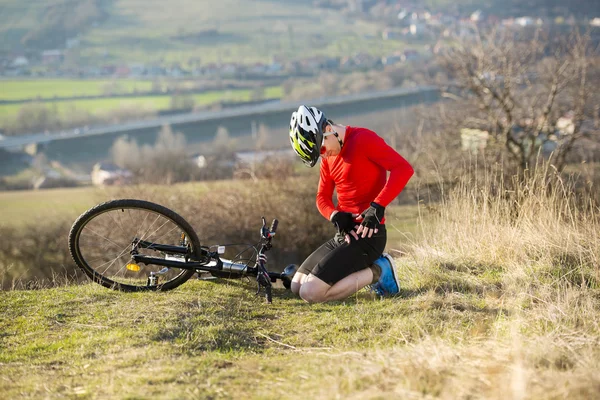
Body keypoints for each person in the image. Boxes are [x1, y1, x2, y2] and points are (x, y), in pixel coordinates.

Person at [288, 105, 414, 303]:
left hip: (368, 235)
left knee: (310, 293)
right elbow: (322, 197)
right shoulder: (328, 157)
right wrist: (335, 215)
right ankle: (362, 271)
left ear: (327, 130)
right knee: (297, 285)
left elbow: (403, 169)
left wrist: (377, 207)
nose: (323, 155)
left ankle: (379, 270)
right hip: (345, 234)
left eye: (321, 148)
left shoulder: (364, 139)